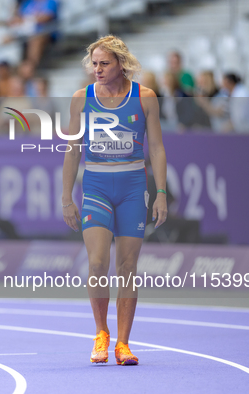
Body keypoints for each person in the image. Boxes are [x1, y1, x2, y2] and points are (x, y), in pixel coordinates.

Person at [61, 35, 167, 366]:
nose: (98, 69)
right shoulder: (81, 98)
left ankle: (124, 343)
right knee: (96, 263)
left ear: (121, 63)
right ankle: (100, 333)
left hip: (134, 185)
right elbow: (72, 148)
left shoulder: (146, 97)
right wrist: (66, 197)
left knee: (127, 267)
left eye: (104, 63)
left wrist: (160, 193)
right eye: (94, 63)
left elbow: (157, 149)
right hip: (95, 185)